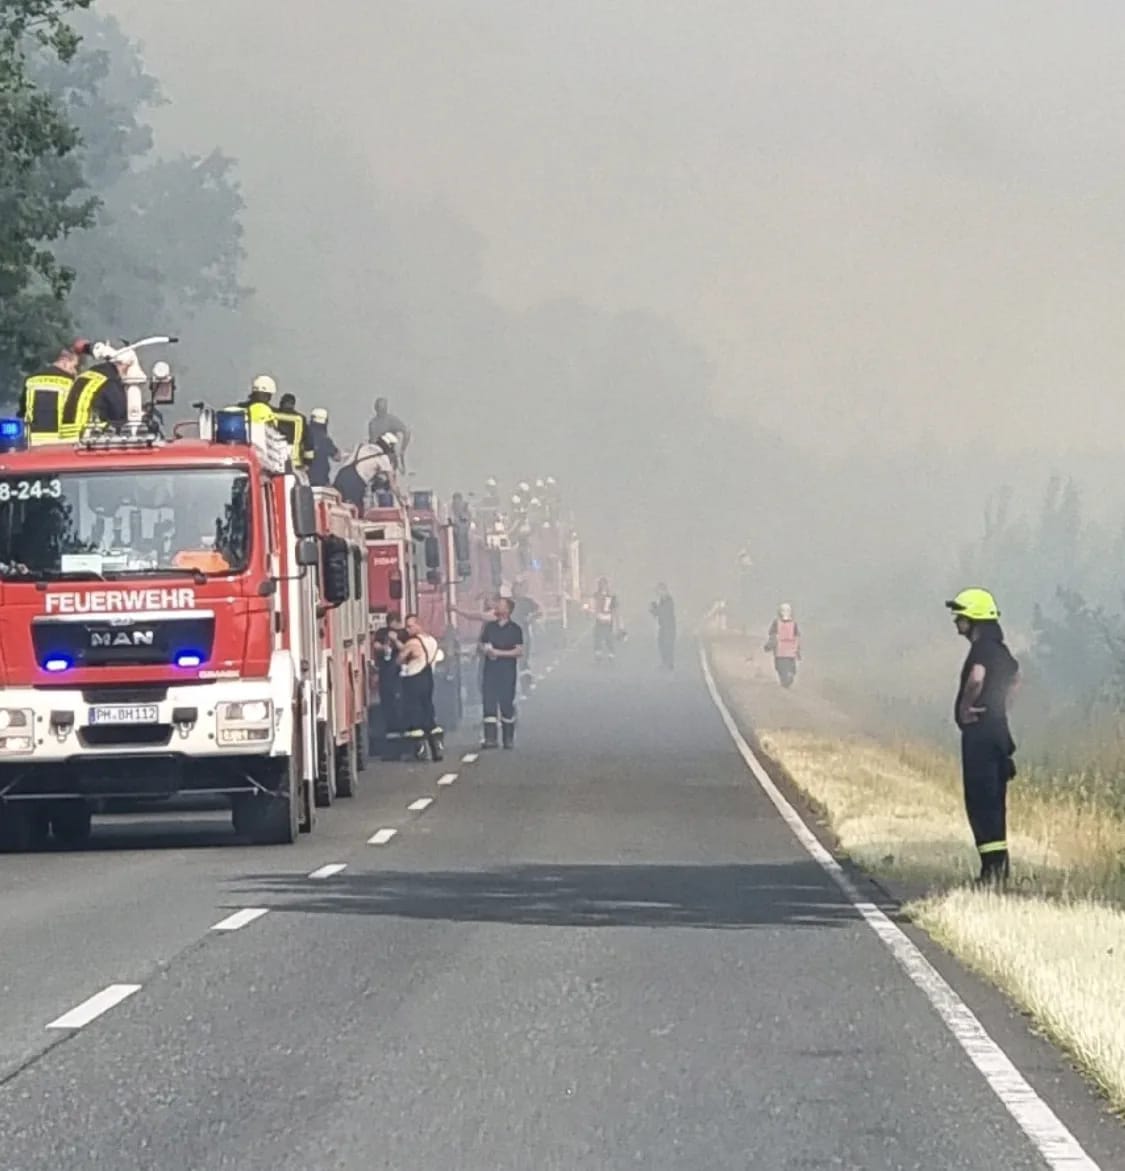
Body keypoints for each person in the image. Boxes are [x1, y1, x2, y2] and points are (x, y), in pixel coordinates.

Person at [946, 588, 1020, 888]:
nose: (956, 622)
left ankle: (990, 872)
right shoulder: (1001, 650)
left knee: (979, 800)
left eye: (960, 616)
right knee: (994, 801)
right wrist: (1001, 707)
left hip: (979, 737)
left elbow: (976, 678)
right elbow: (1015, 678)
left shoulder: (981, 649)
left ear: (974, 618)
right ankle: (998, 870)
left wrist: (965, 708)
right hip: (999, 733)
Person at [58, 345, 135, 439]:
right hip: (86, 441)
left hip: (67, 438)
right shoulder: (110, 381)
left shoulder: (87, 375)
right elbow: (120, 416)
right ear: (123, 363)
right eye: (128, 367)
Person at [397, 613, 445, 762]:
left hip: (413, 680)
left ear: (419, 625)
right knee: (428, 712)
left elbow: (399, 659)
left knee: (415, 715)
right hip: (428, 679)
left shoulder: (412, 642)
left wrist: (396, 643)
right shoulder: (432, 641)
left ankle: (420, 750)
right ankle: (437, 747)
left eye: (410, 626)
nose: (407, 629)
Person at [20, 340, 87, 444]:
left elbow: (22, 412)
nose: (75, 371)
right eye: (74, 367)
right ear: (64, 362)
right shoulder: (72, 384)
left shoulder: (31, 380)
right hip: (61, 443)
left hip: (32, 442)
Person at [479, 597, 523, 749]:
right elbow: (483, 643)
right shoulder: (490, 627)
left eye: (501, 605)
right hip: (490, 670)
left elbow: (518, 651)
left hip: (506, 671)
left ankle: (508, 738)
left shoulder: (515, 629)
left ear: (508, 610)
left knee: (506, 703)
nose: (497, 607)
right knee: (489, 703)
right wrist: (486, 650)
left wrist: (499, 653)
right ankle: (490, 738)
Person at [373, 617, 405, 761]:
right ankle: (390, 750)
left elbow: (407, 649)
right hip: (386, 677)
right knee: (387, 711)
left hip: (399, 678)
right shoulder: (381, 633)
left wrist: (396, 641)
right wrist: (382, 647)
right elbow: (375, 645)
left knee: (399, 712)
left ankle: (401, 748)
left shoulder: (403, 634)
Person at [510, 578, 542, 694]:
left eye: (519, 588)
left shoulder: (527, 602)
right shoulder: (507, 602)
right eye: (515, 588)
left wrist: (531, 617)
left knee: (523, 660)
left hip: (523, 634)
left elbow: (539, 611)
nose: (517, 591)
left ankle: (525, 685)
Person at [367, 397, 411, 469]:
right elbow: (372, 441)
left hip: (389, 456)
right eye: (379, 408)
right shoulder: (372, 423)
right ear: (376, 408)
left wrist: (402, 450)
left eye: (383, 408)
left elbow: (406, 432)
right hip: (375, 456)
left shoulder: (391, 420)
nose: (381, 410)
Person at [764, 602, 801, 688]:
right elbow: (797, 638)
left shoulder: (776, 623)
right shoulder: (794, 624)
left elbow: (772, 636)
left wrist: (768, 646)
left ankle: (786, 680)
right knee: (791, 668)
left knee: (779, 668)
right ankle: (789, 677)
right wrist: (798, 651)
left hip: (780, 651)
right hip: (791, 652)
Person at [306, 407, 340, 488]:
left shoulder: (304, 434)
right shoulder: (325, 439)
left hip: (304, 479)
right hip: (321, 480)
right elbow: (337, 457)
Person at [650, 583, 677, 671]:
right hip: (663, 626)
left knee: (667, 644)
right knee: (661, 644)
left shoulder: (669, 600)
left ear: (664, 590)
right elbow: (657, 614)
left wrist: (656, 608)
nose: (658, 593)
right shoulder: (662, 600)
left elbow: (664, 613)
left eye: (659, 591)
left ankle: (669, 664)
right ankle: (665, 663)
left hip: (669, 626)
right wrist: (653, 609)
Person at [592, 577, 618, 662]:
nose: (603, 586)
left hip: (608, 619)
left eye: (604, 584)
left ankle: (611, 653)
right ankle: (598, 653)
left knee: (608, 636)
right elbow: (593, 605)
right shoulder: (596, 595)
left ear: (607, 585)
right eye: (601, 584)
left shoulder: (611, 596)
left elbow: (614, 609)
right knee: (598, 636)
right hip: (599, 619)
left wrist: (616, 621)